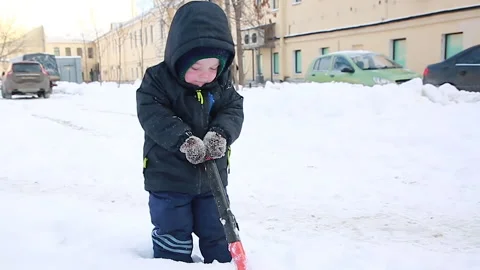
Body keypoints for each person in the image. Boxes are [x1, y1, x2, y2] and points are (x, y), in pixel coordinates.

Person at [135, 1, 244, 264]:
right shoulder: (158, 80)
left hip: (212, 180)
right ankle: (172, 263)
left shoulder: (221, 83)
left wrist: (221, 133)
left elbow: (233, 109)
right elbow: (153, 114)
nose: (205, 76)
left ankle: (221, 263)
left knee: (217, 229)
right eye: (195, 67)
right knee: (173, 231)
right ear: (178, 56)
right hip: (168, 176)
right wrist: (184, 140)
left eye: (213, 68)